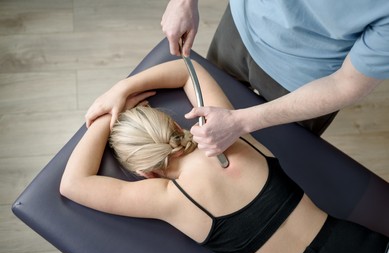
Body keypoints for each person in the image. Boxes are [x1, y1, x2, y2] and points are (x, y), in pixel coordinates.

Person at [60, 59, 388, 253]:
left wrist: (105, 119)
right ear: (175, 125)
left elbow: (73, 184)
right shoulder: (233, 135)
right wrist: (122, 91)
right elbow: (187, 69)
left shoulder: (166, 198)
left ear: (145, 171)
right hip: (366, 248)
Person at [161, 0, 389, 157]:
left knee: (270, 155)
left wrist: (240, 122)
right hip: (240, 25)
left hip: (305, 82)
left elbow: (345, 85)